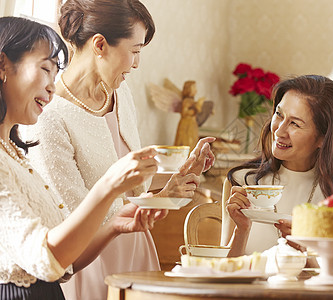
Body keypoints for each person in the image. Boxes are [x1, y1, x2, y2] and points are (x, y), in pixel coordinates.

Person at [21, 1, 214, 299]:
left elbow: (133, 190)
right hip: (89, 265)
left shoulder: (120, 93)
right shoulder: (49, 116)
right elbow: (71, 221)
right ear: (100, 44)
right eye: (134, 51)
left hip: (136, 251)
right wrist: (155, 199)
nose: (137, 64)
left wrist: (176, 177)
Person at [0, 16, 168, 299]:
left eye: (55, 74)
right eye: (44, 69)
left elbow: (64, 263)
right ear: (3, 65)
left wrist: (115, 225)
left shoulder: (15, 155)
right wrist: (108, 187)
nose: (52, 87)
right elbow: (45, 257)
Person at [221, 75, 333, 257]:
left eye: (295, 124)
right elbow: (224, 270)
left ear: (323, 138)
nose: (279, 130)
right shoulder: (241, 182)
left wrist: (304, 249)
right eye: (279, 114)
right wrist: (241, 231)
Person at [174, 80, 205, 151]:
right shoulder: (186, 101)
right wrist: (195, 110)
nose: (196, 91)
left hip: (192, 125)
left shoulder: (192, 101)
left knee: (193, 140)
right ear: (188, 90)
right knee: (186, 141)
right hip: (186, 126)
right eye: (194, 89)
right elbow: (184, 113)